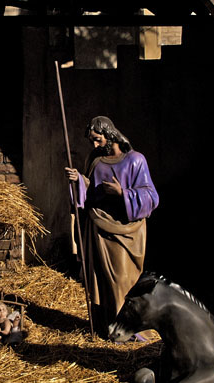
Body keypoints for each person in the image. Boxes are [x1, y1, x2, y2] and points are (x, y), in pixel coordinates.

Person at [65, 116, 159, 338]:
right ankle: (106, 324)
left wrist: (122, 193)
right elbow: (90, 191)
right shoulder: (96, 161)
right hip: (98, 228)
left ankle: (127, 329)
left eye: (98, 140)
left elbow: (151, 197)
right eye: (92, 142)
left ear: (110, 134)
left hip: (125, 232)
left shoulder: (135, 160)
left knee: (123, 282)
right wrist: (78, 179)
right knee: (102, 281)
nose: (96, 145)